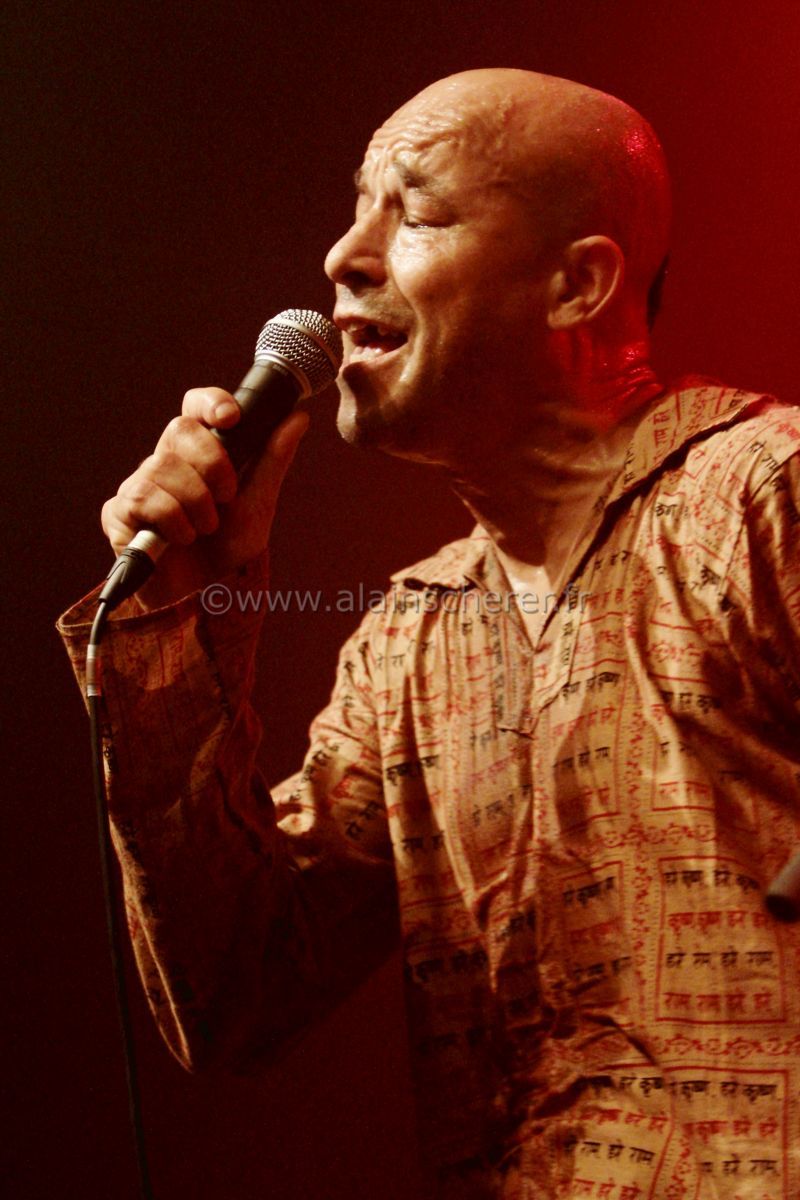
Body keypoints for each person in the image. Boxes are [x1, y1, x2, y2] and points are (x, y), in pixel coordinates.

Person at [59, 69, 800, 1198]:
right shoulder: (409, 639)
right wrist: (194, 617)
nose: (342, 258)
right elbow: (239, 993)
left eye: (414, 213)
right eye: (356, 209)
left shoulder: (762, 492)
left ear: (576, 284)